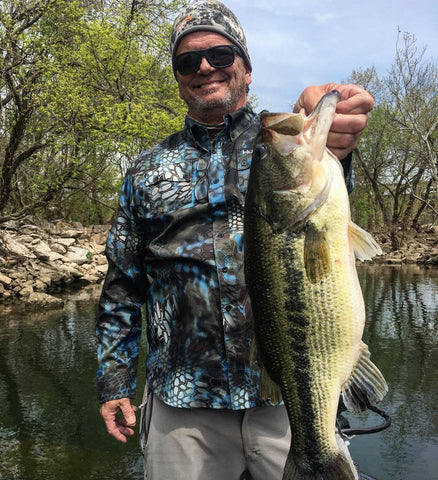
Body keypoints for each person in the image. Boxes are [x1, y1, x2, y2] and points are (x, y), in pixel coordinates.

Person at [96, 1, 373, 479]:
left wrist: (332, 123)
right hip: (182, 402)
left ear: (246, 67)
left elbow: (322, 188)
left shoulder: (282, 139)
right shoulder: (144, 171)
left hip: (289, 395)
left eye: (221, 55)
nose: (205, 67)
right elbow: (122, 282)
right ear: (179, 77)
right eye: (188, 61)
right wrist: (114, 379)